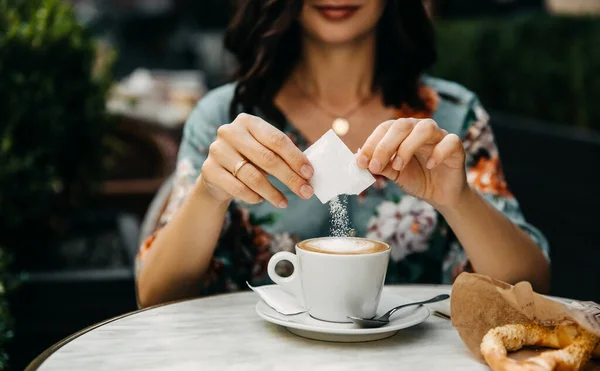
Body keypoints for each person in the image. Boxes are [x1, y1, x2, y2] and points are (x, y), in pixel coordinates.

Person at [135, 0, 550, 308]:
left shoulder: (450, 119)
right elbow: (154, 298)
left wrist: (459, 201)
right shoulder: (226, 119)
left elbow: (533, 288)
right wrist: (209, 193)